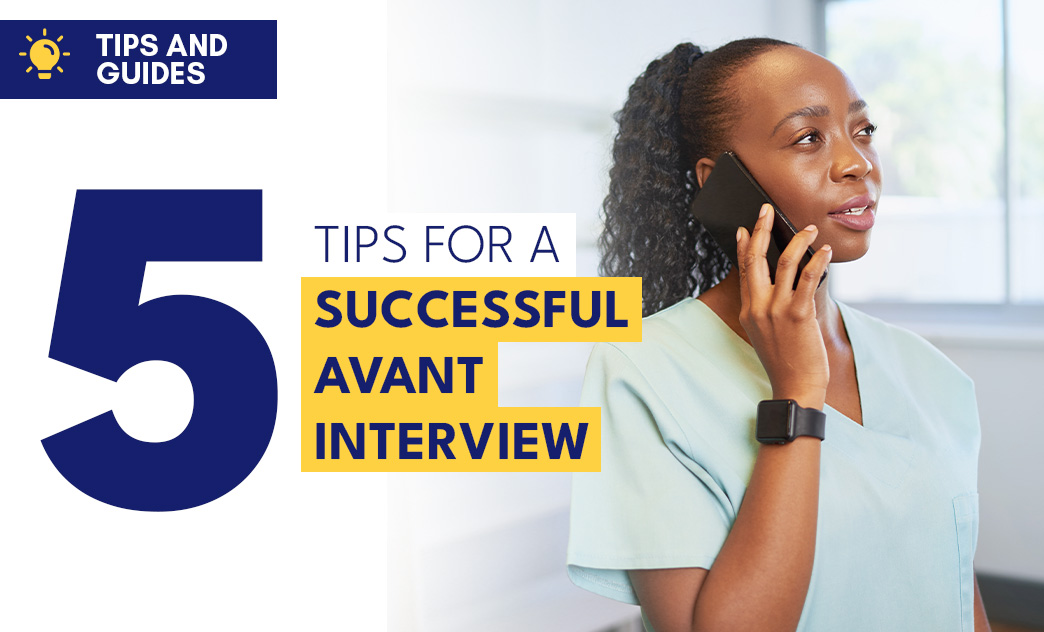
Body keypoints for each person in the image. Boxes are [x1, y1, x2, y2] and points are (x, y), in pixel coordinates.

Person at [566, 38, 989, 632]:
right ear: (720, 183)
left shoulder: (927, 372)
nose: (858, 163)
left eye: (861, 131)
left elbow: (956, 598)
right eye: (809, 138)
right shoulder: (641, 369)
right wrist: (795, 393)